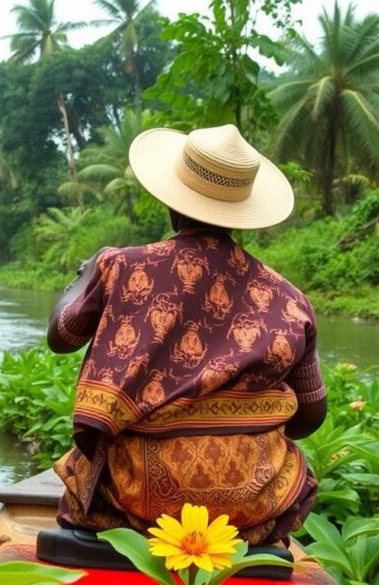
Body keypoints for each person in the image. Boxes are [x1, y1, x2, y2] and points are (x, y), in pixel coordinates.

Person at [46, 124, 326, 546]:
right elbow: (310, 417)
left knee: (87, 476)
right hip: (251, 505)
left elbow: (61, 335)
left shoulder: (122, 267)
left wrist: (87, 274)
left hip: (132, 497)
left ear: (171, 204)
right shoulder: (289, 298)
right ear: (242, 213)